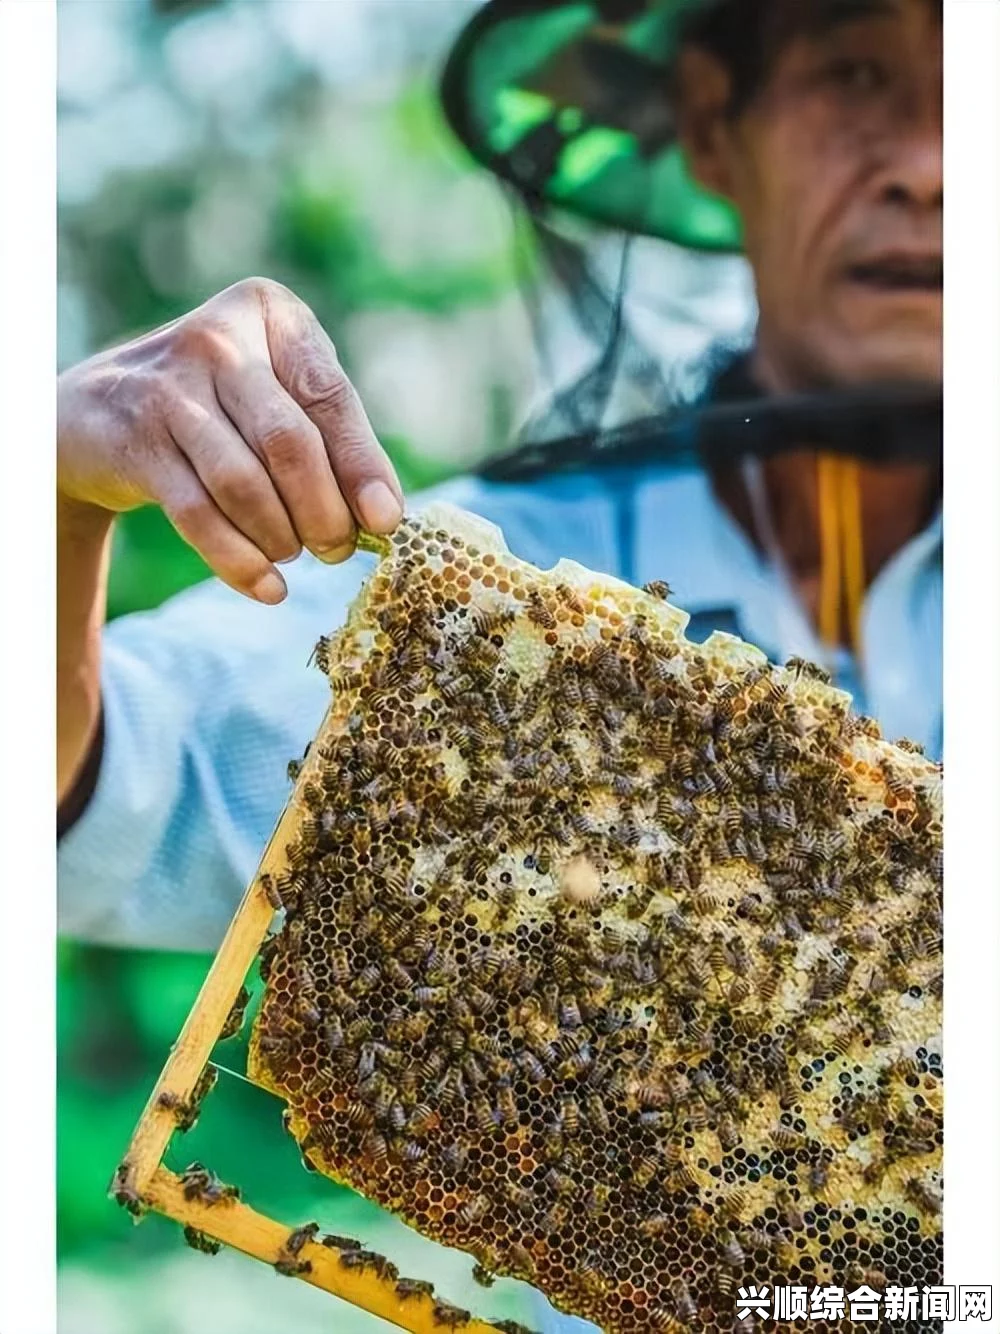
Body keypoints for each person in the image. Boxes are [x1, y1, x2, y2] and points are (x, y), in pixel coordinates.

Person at [57, 0, 940, 1318]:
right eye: (858, 74)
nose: (927, 160)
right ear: (711, 121)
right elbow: (85, 789)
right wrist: (53, 499)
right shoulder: (493, 592)